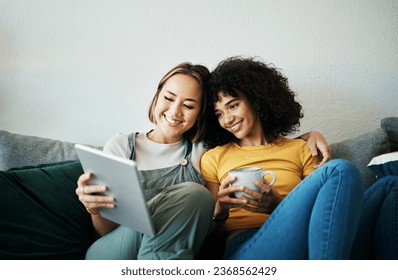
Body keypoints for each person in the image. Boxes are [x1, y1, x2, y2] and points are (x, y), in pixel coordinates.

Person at [76, 61, 332, 260]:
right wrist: (94, 207)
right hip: (113, 253)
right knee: (194, 194)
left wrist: (306, 137)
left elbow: (258, 145)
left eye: (188, 105)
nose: (175, 112)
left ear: (200, 114)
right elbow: (105, 231)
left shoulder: (203, 151)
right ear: (157, 96)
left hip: (174, 254)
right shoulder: (121, 146)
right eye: (168, 98)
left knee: (195, 196)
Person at [201, 56, 366, 259]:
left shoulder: (300, 149)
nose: (227, 119)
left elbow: (325, 215)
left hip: (303, 239)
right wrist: (220, 212)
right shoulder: (213, 158)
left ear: (256, 99)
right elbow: (207, 241)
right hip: (245, 246)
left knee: (389, 186)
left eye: (233, 106)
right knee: (340, 169)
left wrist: (277, 206)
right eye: (219, 114)